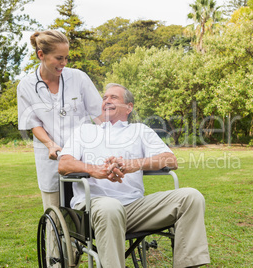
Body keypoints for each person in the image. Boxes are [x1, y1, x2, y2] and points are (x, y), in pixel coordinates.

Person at [58, 83, 210, 268]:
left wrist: (134, 164)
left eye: (113, 97)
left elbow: (170, 160)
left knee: (191, 197)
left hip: (134, 208)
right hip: (94, 207)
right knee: (110, 207)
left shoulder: (140, 131)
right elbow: (64, 164)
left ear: (129, 107)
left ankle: (187, 265)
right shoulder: (85, 131)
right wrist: (95, 170)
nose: (106, 101)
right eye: (104, 98)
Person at [17, 30, 102, 211]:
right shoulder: (26, 86)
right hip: (51, 159)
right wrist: (50, 144)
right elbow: (33, 123)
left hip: (83, 156)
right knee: (54, 213)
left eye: (66, 58)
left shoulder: (78, 78)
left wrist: (114, 139)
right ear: (41, 55)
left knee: (86, 214)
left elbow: (99, 114)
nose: (63, 63)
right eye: (58, 58)